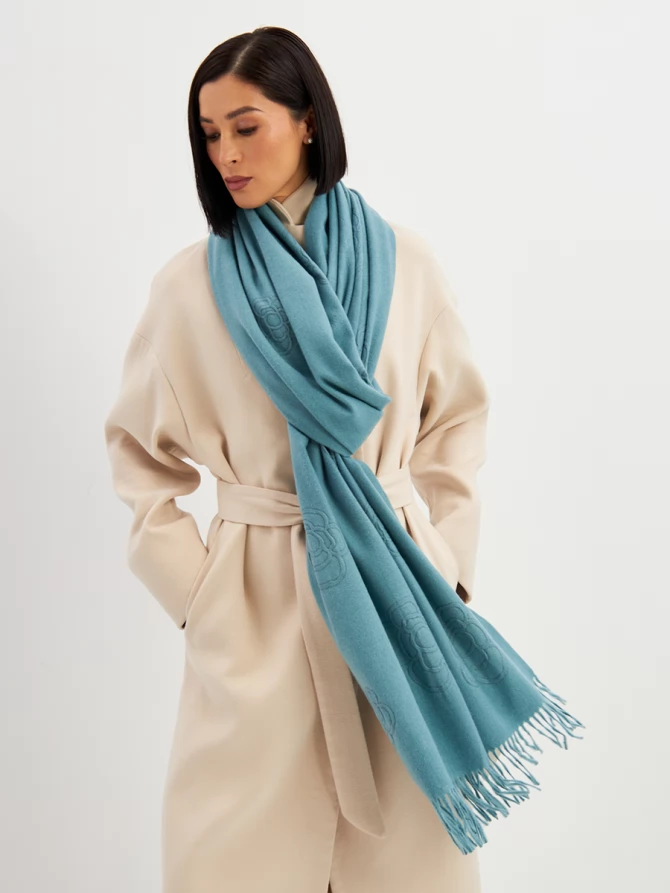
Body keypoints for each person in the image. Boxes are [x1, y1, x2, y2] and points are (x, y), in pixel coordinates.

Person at [104, 25, 489, 893]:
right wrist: (201, 595)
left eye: (247, 126)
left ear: (308, 120)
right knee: (235, 852)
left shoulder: (409, 266)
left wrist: (446, 560)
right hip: (259, 607)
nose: (226, 155)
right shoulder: (188, 288)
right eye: (209, 135)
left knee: (408, 855)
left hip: (398, 595)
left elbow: (457, 422)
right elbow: (137, 456)